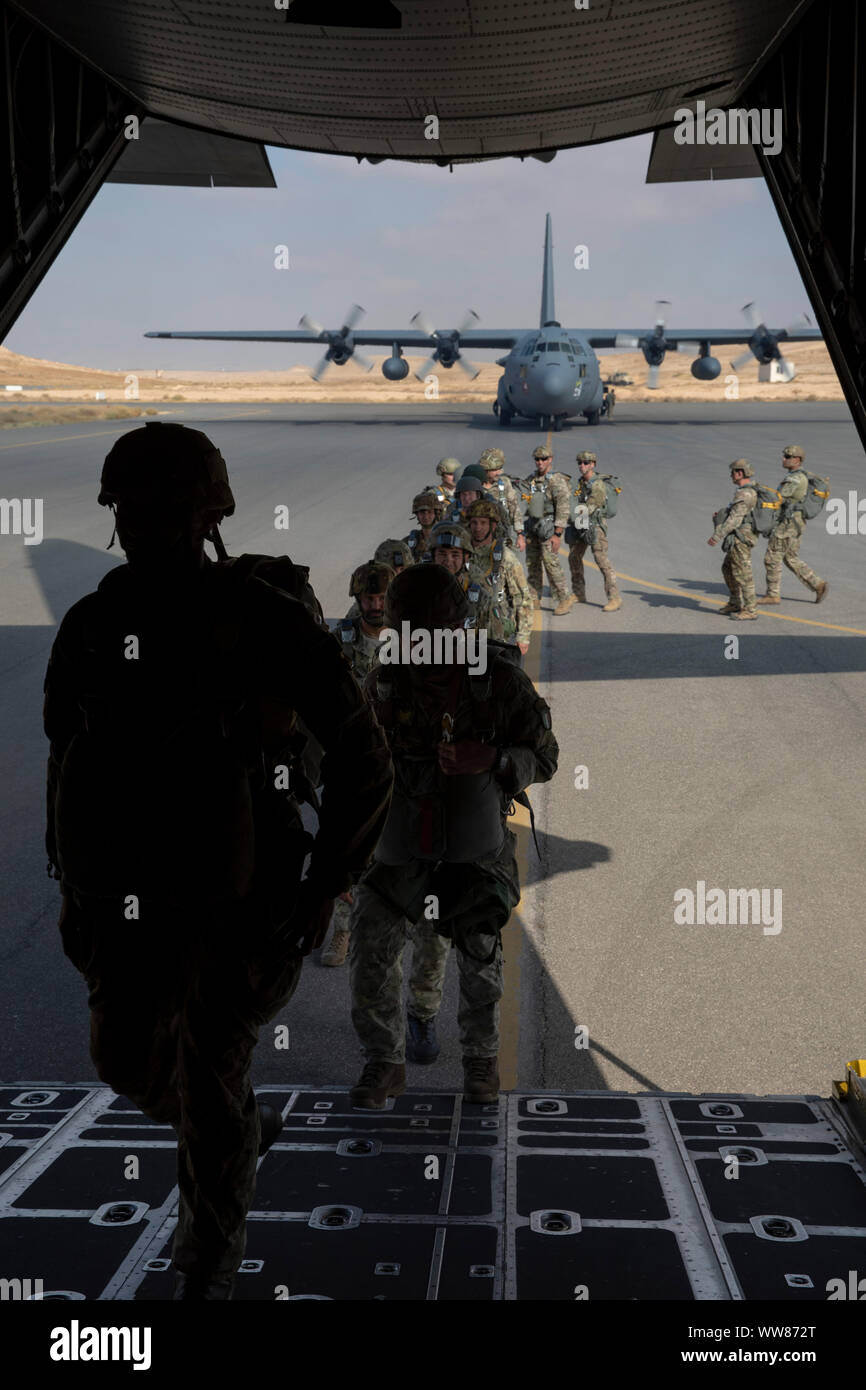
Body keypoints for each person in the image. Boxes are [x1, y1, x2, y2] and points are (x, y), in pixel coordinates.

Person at [43, 422, 393, 1299]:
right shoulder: (92, 625)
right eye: (132, 508)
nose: (146, 524)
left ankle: (206, 1271)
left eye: (169, 507)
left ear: (208, 517)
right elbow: (66, 755)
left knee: (207, 1086)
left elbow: (363, 757)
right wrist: (70, 881)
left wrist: (326, 885)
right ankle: (236, 1127)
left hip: (238, 899)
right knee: (125, 1063)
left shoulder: (266, 623)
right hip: (124, 896)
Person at [348, 565, 558, 1107]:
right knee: (370, 941)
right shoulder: (386, 682)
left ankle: (481, 1063)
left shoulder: (498, 681)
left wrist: (491, 758)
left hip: (472, 840)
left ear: (455, 626)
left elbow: (546, 757)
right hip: (401, 840)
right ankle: (384, 1063)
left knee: (482, 952)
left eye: (430, 629)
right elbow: (360, 768)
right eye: (408, 629)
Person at [758, 445, 828, 605]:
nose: (784, 459)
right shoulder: (800, 476)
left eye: (788, 456)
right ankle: (818, 585)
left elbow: (778, 499)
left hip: (787, 525)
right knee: (790, 557)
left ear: (797, 460)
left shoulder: (795, 478)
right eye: (784, 456)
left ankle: (773, 595)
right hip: (796, 522)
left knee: (772, 557)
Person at [464, 498, 533, 657]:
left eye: (483, 523)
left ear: (493, 526)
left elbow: (522, 597)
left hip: (497, 632)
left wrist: (523, 636)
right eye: (474, 523)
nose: (478, 528)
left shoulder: (505, 557)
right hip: (467, 631)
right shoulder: (462, 554)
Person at [429, 519, 505, 640]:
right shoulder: (419, 595)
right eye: (442, 554)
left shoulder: (482, 601)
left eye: (455, 555)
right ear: (433, 557)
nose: (448, 561)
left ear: (466, 558)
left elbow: (496, 648)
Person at [566, 451, 622, 612]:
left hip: (596, 526)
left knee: (601, 559)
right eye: (580, 463)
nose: (582, 465)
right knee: (574, 557)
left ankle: (614, 597)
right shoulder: (581, 483)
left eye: (585, 462)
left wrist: (575, 514)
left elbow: (592, 504)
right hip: (582, 523)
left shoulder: (597, 484)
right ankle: (579, 592)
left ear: (593, 464)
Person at [522, 445, 574, 615]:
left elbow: (563, 508)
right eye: (537, 459)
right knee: (532, 563)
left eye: (544, 459)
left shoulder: (556, 480)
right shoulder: (531, 479)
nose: (540, 462)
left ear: (550, 459)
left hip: (549, 529)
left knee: (551, 565)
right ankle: (534, 596)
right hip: (533, 528)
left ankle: (564, 599)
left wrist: (557, 534)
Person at [708, 458, 760, 619]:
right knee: (728, 568)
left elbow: (735, 520)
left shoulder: (744, 493)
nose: (731, 475)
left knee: (743, 573)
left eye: (733, 472)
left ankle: (751, 609)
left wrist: (717, 535)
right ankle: (735, 602)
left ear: (739, 473)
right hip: (739, 536)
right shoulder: (747, 490)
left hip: (741, 538)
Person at [479, 448, 525, 552]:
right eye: (495, 470)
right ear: (486, 470)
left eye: (500, 468)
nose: (499, 472)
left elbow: (514, 508)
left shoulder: (504, 483)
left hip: (503, 537)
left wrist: (520, 534)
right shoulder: (476, 486)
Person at [404, 491, 445, 562]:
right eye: (422, 513)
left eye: (429, 512)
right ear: (417, 515)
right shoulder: (410, 542)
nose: (426, 517)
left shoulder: (446, 538)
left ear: (436, 513)